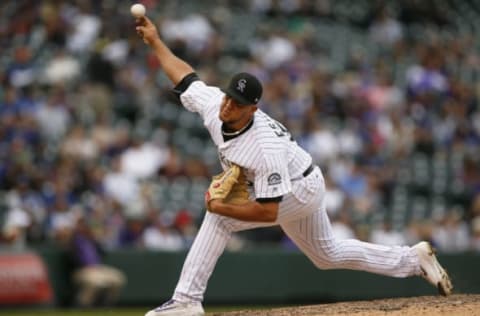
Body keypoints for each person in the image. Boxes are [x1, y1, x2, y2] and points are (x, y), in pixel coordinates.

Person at [135, 16, 453, 316]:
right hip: (304, 178)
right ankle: (413, 259)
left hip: (298, 187)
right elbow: (186, 78)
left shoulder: (263, 145)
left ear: (253, 109)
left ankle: (186, 302)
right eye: (228, 97)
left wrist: (221, 207)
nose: (228, 105)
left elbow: (268, 213)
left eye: (237, 103)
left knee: (219, 220)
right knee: (326, 255)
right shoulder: (215, 104)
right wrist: (156, 41)